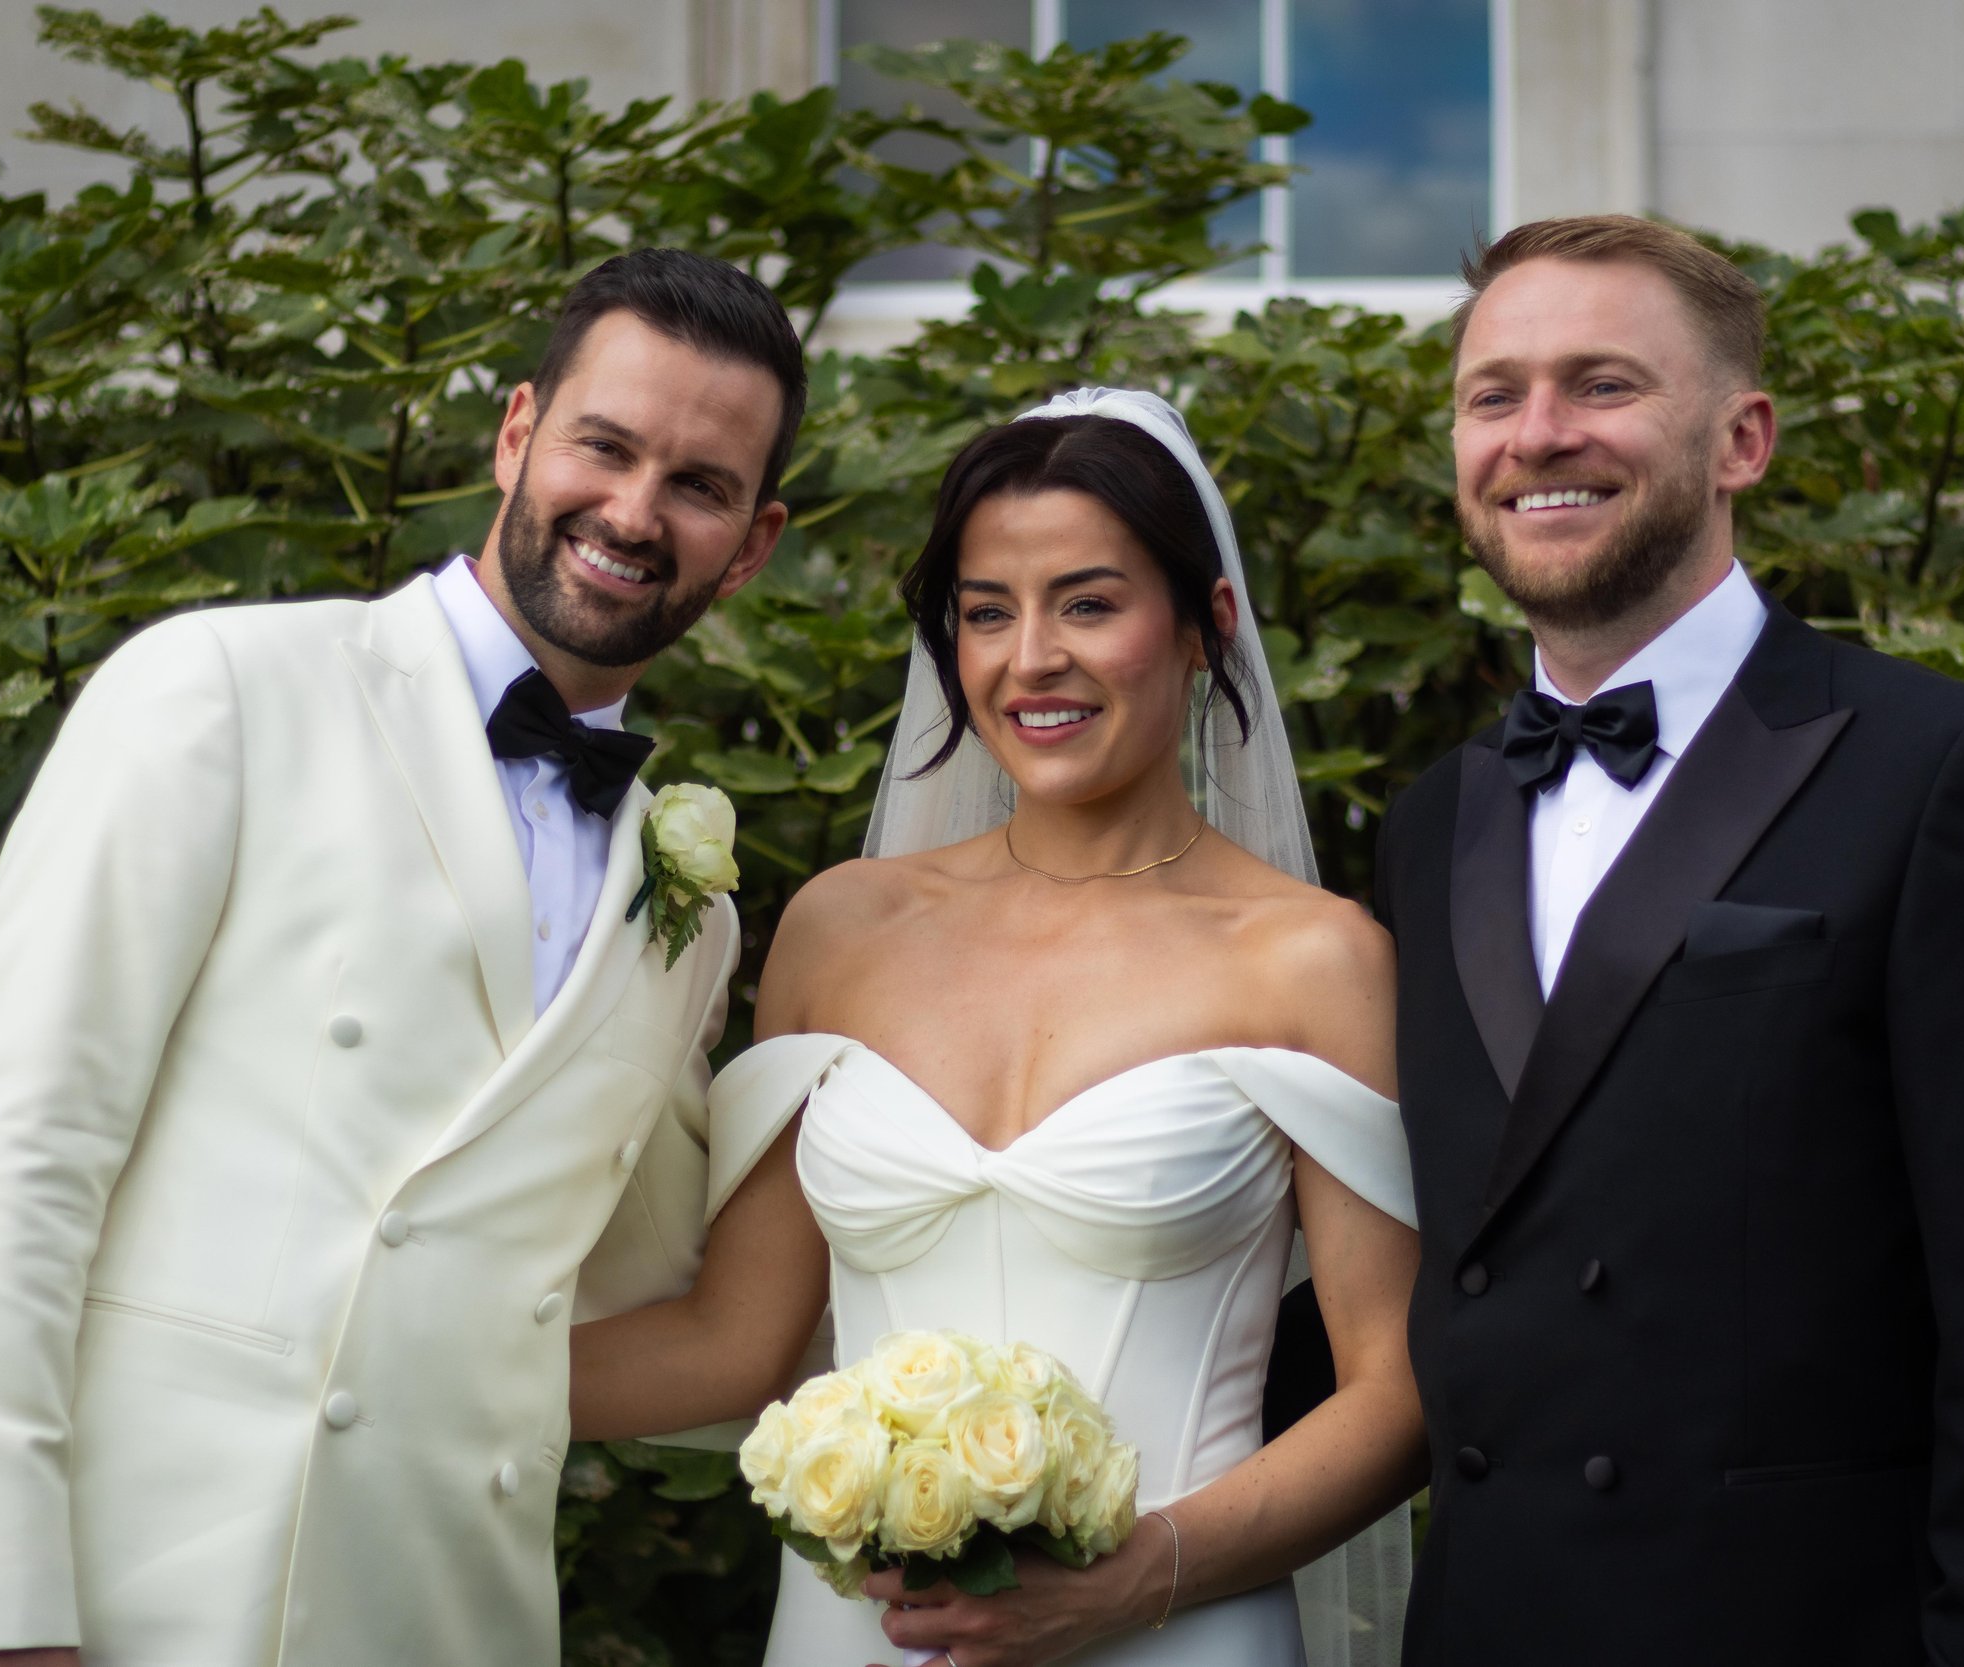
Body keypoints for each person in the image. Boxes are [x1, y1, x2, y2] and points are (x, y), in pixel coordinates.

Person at [0, 249, 800, 1667]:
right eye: (605, 446)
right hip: (130, 1602)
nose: (633, 510)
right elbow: (16, 1155)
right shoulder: (224, 691)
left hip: (451, 1614)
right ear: (517, 432)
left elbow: (631, 1293)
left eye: (699, 484)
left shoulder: (690, 914)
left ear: (755, 540)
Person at [1378, 214, 1964, 1664]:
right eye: (1495, 395)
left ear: (1744, 439)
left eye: (1603, 384)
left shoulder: (1946, 769)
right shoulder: (1436, 822)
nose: (1537, 434)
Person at [569, 388, 1424, 1667]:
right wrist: (399, 1367)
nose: (1030, 659)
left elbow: (1397, 1392)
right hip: (859, 1636)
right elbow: (732, 1342)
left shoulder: (1315, 960)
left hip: (1178, 1630)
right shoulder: (843, 930)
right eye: (985, 611)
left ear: (1207, 626)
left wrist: (1144, 1575)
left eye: (1088, 602)